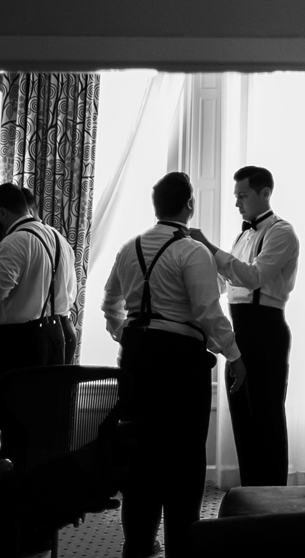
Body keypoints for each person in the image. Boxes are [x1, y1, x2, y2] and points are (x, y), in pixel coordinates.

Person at [104, 172, 247, 558]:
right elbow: (206, 312)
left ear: (156, 207)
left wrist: (126, 335)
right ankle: (181, 547)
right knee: (183, 456)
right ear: (189, 205)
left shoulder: (128, 247)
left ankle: (138, 542)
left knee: (141, 452)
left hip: (136, 358)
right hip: (180, 362)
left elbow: (109, 304)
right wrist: (234, 355)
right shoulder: (192, 251)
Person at [188, 165, 299, 488]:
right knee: (243, 418)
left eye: (243, 196)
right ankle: (251, 497)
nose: (237, 203)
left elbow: (253, 277)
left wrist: (209, 246)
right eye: (236, 196)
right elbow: (227, 283)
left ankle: (273, 500)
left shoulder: (281, 232)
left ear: (265, 194)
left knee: (266, 418)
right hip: (239, 332)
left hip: (266, 331)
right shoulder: (242, 235)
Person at [0, 182, 77, 371]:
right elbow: (70, 294)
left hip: (21, 342)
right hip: (59, 333)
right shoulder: (59, 238)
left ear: (2, 213)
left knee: (14, 399)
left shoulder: (14, 242)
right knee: (51, 400)